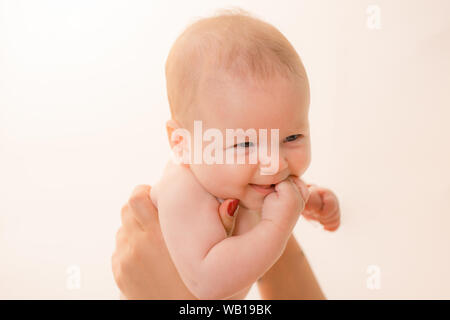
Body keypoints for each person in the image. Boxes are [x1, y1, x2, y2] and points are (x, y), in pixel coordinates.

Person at [112, 9, 341, 299]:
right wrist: (277, 225)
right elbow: (209, 284)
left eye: (292, 137)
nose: (275, 165)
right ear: (183, 144)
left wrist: (307, 196)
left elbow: (267, 195)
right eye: (245, 145)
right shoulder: (182, 192)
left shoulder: (239, 178)